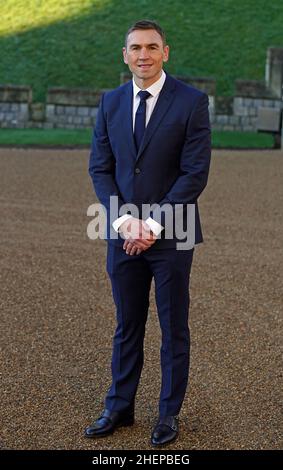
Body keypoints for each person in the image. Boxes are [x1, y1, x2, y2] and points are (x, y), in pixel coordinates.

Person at [86, 19, 211, 446]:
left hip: (173, 233)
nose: (144, 54)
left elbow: (194, 174)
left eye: (151, 47)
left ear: (166, 52)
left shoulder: (192, 102)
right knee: (127, 324)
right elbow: (100, 169)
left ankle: (167, 414)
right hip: (121, 232)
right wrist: (124, 223)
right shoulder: (110, 102)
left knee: (174, 325)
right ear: (125, 55)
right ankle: (119, 407)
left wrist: (153, 225)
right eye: (136, 48)